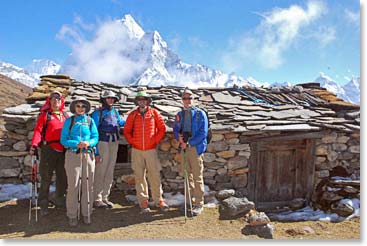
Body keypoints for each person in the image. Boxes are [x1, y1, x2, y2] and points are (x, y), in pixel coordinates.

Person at [123, 88, 169, 213]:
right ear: (137, 101)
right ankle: (143, 201)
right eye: (139, 100)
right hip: (137, 150)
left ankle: (159, 199)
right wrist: (133, 141)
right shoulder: (133, 115)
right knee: (139, 176)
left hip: (150, 150)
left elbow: (162, 129)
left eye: (144, 99)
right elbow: (126, 131)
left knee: (154, 175)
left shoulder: (154, 113)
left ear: (147, 101)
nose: (141, 102)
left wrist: (154, 141)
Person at [60, 96, 99, 226]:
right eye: (78, 106)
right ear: (74, 107)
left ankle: (86, 213)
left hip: (88, 155)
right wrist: (77, 144)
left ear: (86, 108)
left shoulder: (90, 121)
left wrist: (88, 143)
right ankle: (72, 214)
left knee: (88, 186)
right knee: (73, 185)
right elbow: (63, 140)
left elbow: (95, 136)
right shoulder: (69, 121)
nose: (81, 108)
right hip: (73, 155)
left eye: (83, 106)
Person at [30, 90, 68, 216]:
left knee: (62, 177)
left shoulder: (66, 116)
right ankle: (43, 203)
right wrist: (34, 145)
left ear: (61, 101)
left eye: (58, 99)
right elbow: (38, 131)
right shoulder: (45, 115)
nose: (55, 101)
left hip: (63, 150)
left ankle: (59, 200)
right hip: (48, 150)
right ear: (49, 101)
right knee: (46, 177)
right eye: (53, 99)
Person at [173, 88, 208, 216]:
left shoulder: (200, 114)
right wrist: (179, 138)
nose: (187, 101)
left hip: (195, 147)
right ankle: (190, 200)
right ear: (182, 100)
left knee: (197, 176)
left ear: (193, 99)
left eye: (190, 98)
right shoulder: (180, 115)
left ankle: (199, 204)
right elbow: (176, 129)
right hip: (184, 147)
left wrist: (189, 143)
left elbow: (203, 133)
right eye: (185, 98)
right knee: (187, 175)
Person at [91, 90, 125, 209]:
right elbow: (93, 131)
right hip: (102, 142)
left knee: (109, 171)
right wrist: (96, 151)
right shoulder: (98, 114)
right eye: (108, 98)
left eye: (112, 99)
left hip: (114, 142)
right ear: (104, 100)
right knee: (101, 170)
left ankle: (105, 197)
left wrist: (132, 119)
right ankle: (97, 198)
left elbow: (121, 122)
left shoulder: (115, 112)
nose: (110, 100)